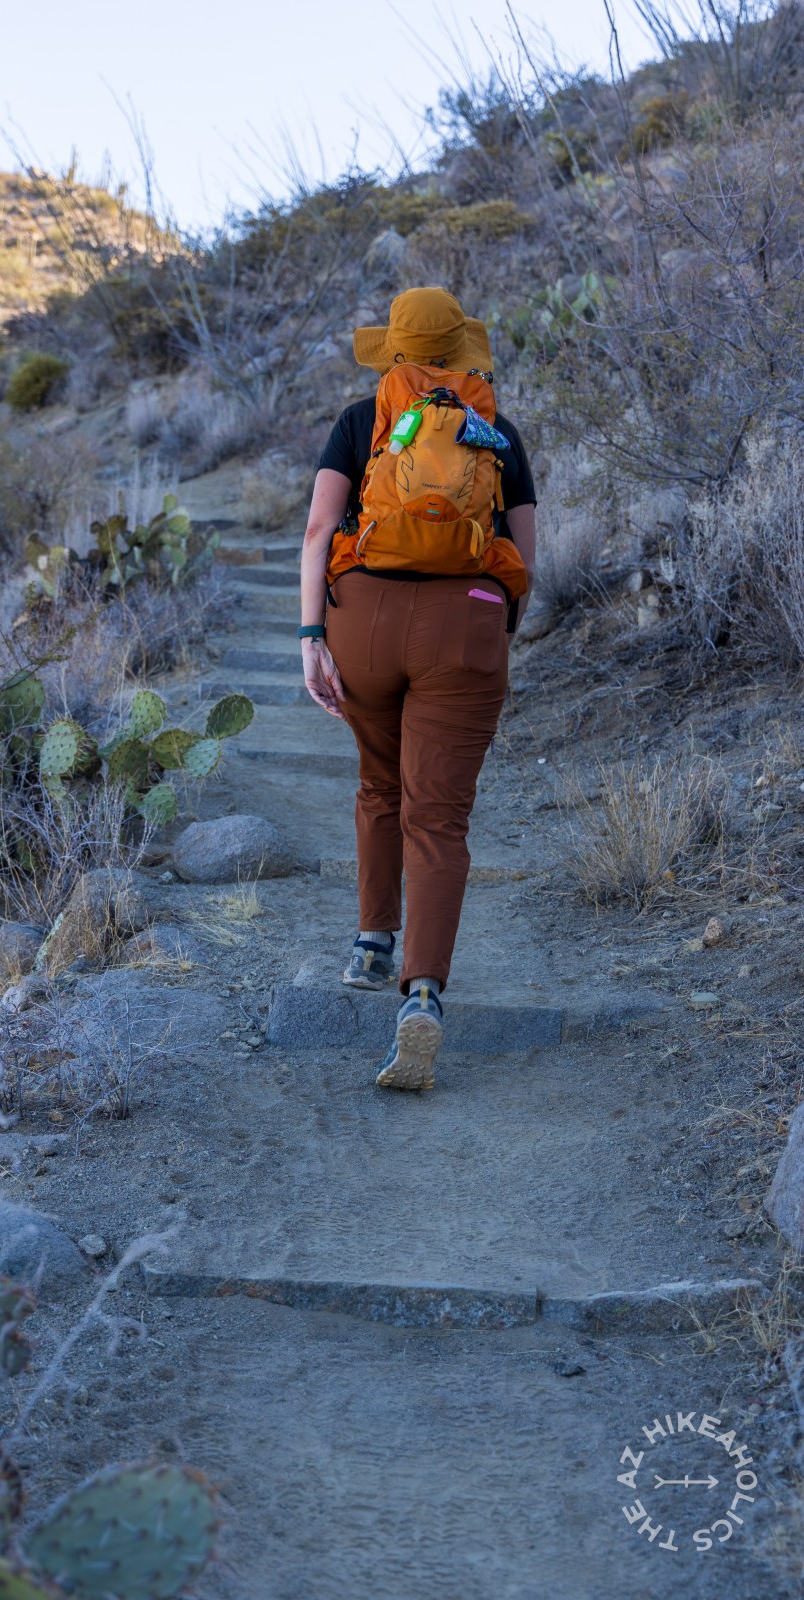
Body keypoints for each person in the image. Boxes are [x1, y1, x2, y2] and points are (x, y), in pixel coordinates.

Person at [298, 287, 537, 1091]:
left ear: (393, 351)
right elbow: (524, 556)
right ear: (460, 349)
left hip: (362, 621)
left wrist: (310, 635)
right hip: (464, 623)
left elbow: (317, 531)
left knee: (379, 782)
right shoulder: (494, 430)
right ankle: (423, 996)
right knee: (437, 816)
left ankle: (371, 945)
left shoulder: (359, 420)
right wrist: (494, 632)